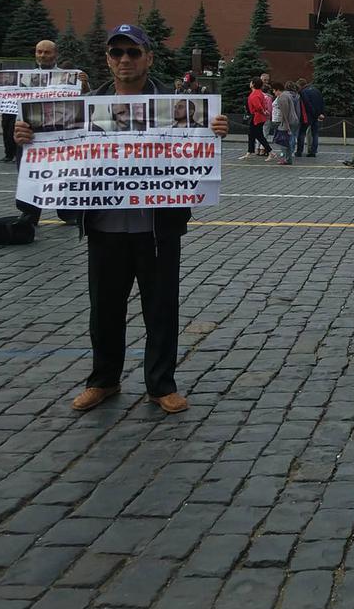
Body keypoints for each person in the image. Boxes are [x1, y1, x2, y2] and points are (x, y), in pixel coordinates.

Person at [14, 23, 230, 414]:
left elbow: (200, 147)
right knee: (105, 310)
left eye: (133, 52)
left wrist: (216, 130)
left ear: (148, 57)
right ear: (108, 60)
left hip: (157, 228)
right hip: (103, 226)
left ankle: (161, 385)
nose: (125, 60)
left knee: (161, 309)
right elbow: (51, 151)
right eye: (117, 53)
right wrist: (28, 137)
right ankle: (104, 380)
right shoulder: (84, 106)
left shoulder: (176, 103)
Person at [240, 78, 273, 160]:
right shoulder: (260, 93)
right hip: (259, 117)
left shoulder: (254, 94)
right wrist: (264, 111)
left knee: (258, 135)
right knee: (252, 134)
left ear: (253, 84)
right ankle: (250, 152)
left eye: (251, 82)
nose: (250, 83)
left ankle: (270, 152)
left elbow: (258, 106)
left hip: (256, 117)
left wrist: (263, 112)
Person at [269, 81, 297, 165]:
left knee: (283, 141)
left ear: (278, 90)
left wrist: (286, 125)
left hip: (286, 122)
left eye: (274, 90)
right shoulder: (287, 95)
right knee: (286, 141)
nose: (273, 92)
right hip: (292, 120)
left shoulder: (282, 97)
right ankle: (287, 159)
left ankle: (285, 159)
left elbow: (285, 113)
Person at [296, 79, 325, 158]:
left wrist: (313, 113)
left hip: (307, 116)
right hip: (316, 116)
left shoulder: (303, 92)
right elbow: (322, 102)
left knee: (301, 133)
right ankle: (313, 152)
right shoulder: (316, 90)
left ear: (300, 85)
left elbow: (307, 104)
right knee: (315, 134)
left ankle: (299, 151)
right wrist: (320, 113)